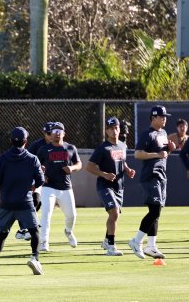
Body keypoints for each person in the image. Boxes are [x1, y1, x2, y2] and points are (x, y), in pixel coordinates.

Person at [0, 127, 45, 275]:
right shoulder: (32, 159)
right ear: (26, 141)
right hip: (25, 202)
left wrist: (4, 188)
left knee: (2, 234)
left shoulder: (3, 158)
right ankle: (35, 258)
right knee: (34, 231)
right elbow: (40, 180)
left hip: (6, 202)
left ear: (11, 141)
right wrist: (31, 187)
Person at [129, 105, 176, 259]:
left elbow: (163, 154)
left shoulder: (163, 133)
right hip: (151, 176)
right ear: (153, 118)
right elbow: (137, 154)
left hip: (162, 176)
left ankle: (151, 246)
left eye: (165, 116)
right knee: (154, 210)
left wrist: (169, 149)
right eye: (161, 116)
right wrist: (157, 154)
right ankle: (136, 241)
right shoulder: (147, 134)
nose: (164, 119)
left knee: (157, 213)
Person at [85, 117, 136, 256]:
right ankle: (111, 247)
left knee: (115, 215)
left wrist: (128, 170)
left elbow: (122, 161)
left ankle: (107, 240)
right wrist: (104, 174)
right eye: (111, 128)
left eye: (117, 127)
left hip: (119, 186)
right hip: (105, 185)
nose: (114, 130)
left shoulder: (122, 145)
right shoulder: (102, 148)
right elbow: (89, 167)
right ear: (106, 131)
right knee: (113, 213)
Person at [35, 122, 82, 252]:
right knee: (46, 214)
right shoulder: (44, 149)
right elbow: (36, 166)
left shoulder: (70, 148)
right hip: (48, 187)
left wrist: (71, 168)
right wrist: (41, 175)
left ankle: (68, 231)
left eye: (59, 131)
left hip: (65, 187)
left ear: (64, 133)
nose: (56, 133)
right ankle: (44, 242)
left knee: (71, 215)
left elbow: (79, 164)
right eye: (54, 131)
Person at [14, 122, 53, 241]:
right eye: (48, 133)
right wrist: (37, 169)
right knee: (33, 200)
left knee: (38, 203)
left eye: (53, 132)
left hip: (48, 179)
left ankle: (23, 229)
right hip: (33, 177)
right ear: (44, 133)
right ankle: (25, 228)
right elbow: (26, 159)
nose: (51, 135)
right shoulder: (37, 146)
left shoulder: (59, 146)